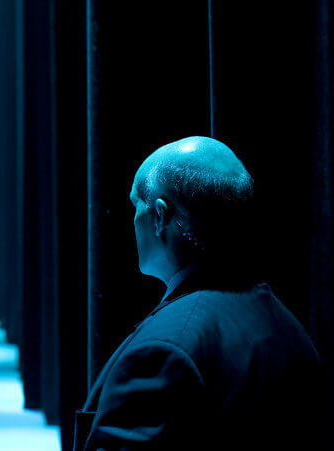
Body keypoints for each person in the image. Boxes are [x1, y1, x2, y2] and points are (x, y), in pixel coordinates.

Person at [74, 136, 324, 450]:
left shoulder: (164, 352)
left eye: (135, 204)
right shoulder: (290, 331)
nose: (132, 219)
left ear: (161, 216)